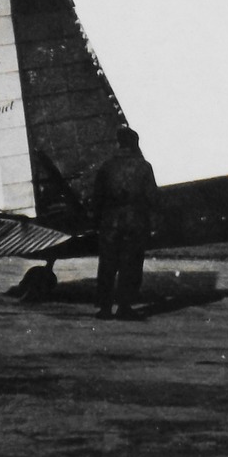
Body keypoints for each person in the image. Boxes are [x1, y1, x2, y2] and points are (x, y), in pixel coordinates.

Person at [93, 125, 159, 321]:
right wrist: (152, 222)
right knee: (131, 265)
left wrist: (99, 221)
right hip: (135, 221)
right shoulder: (144, 167)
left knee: (107, 265)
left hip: (110, 222)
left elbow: (97, 198)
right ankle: (124, 307)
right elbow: (152, 197)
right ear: (135, 144)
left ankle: (105, 308)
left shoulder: (106, 167)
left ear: (119, 144)